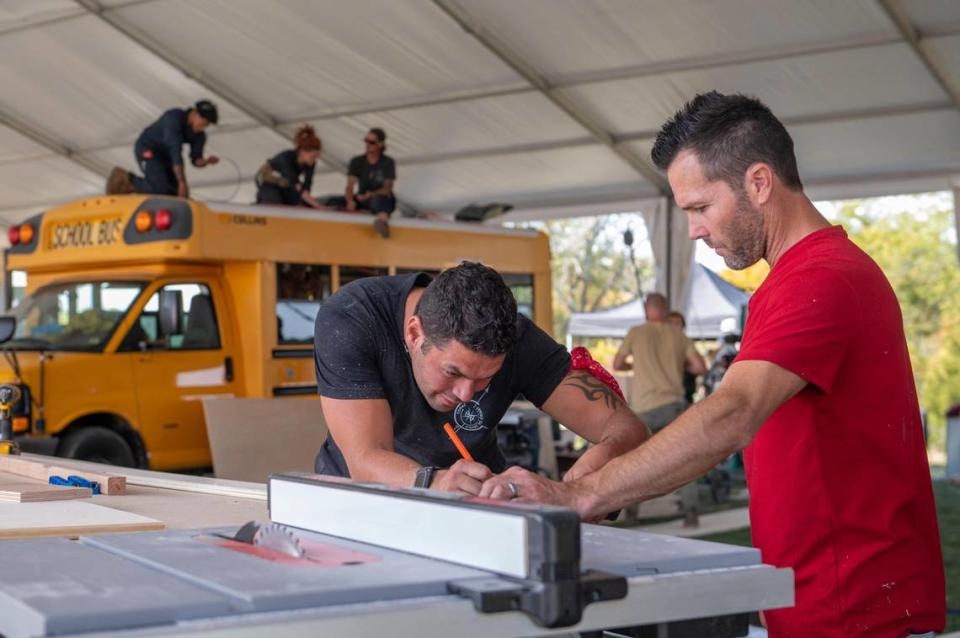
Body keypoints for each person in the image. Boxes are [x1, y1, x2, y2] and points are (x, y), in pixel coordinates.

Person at [479, 92, 945, 636]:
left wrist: (580, 493)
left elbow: (732, 413)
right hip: (828, 602)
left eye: (701, 207)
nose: (696, 230)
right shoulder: (799, 279)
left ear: (759, 183)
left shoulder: (821, 278)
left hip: (858, 611)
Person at [312, 261, 650, 494]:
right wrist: (437, 483)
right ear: (415, 333)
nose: (465, 394)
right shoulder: (353, 318)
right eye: (452, 372)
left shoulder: (517, 339)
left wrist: (605, 459)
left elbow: (627, 427)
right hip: (359, 504)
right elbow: (365, 460)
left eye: (485, 379)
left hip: (476, 502)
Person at [613, 293, 706, 432]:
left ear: (645, 308)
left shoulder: (635, 332)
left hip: (643, 408)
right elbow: (700, 367)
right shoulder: (678, 334)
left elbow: (617, 365)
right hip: (673, 407)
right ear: (666, 310)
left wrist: (636, 365)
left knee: (645, 453)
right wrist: (679, 364)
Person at [106, 100, 219, 198]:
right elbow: (175, 151)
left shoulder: (199, 135)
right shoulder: (174, 118)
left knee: (173, 193)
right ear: (194, 114)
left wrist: (205, 161)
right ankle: (125, 179)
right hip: (148, 148)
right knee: (160, 189)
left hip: (166, 157)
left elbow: (195, 159)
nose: (204, 127)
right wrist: (182, 182)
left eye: (207, 125)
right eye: (203, 122)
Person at [329, 127, 396, 238]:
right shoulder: (357, 161)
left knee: (378, 201)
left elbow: (387, 189)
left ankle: (382, 222)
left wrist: (371, 194)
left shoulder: (388, 162)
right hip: (363, 199)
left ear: (380, 144)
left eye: (372, 142)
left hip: (380, 198)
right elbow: (349, 186)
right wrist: (350, 200)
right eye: (366, 140)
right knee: (334, 201)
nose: (367, 144)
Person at [255, 125, 323, 208]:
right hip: (267, 181)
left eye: (317, 155)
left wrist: (309, 204)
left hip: (285, 184)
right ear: (302, 152)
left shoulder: (310, 163)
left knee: (300, 201)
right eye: (313, 156)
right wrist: (318, 206)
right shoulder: (287, 159)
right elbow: (296, 185)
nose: (316, 159)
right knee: (275, 200)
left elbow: (307, 186)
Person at [667, 310, 698, 404]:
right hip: (666, 394)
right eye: (670, 323)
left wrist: (682, 364)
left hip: (685, 392)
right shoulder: (662, 345)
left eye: (677, 323)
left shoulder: (686, 343)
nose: (673, 326)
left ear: (682, 326)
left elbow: (699, 368)